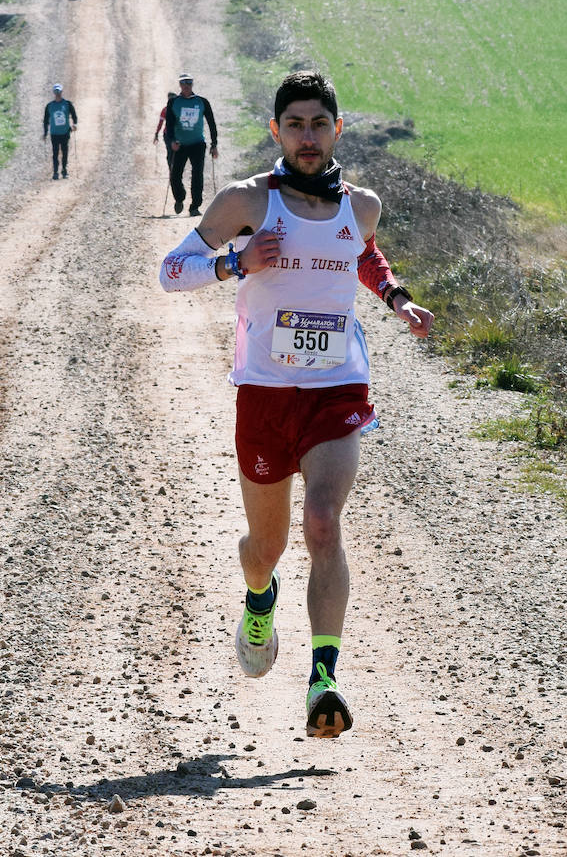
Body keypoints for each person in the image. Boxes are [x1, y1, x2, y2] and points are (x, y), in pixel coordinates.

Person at [159, 70, 434, 737]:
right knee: (267, 546)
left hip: (335, 386)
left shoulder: (361, 204)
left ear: (336, 129)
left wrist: (396, 299)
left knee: (321, 521)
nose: (307, 136)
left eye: (318, 124)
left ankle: (323, 678)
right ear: (276, 132)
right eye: (294, 125)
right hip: (262, 394)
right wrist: (234, 263)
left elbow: (361, 254)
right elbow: (170, 272)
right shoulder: (245, 201)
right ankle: (259, 597)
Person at [165, 75, 218, 216]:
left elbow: (211, 123)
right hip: (179, 145)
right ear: (180, 85)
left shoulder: (202, 102)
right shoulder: (174, 102)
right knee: (175, 175)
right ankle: (180, 197)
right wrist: (171, 141)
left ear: (192, 84)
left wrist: (214, 144)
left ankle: (195, 207)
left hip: (198, 144)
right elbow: (169, 124)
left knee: (197, 175)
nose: (186, 85)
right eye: (183, 82)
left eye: (189, 82)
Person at [43, 83, 78, 180]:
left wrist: (75, 124)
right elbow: (46, 120)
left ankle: (64, 170)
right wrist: (45, 133)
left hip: (65, 132)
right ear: (54, 93)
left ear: (62, 92)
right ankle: (55, 172)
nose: (57, 93)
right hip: (54, 134)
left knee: (65, 152)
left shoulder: (67, 104)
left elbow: (74, 115)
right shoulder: (49, 106)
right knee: (55, 153)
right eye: (56, 92)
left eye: (59, 91)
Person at [153, 92, 176, 169]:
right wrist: (156, 133)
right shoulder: (165, 110)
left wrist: (156, 133)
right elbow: (161, 123)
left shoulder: (166, 110)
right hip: (169, 135)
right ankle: (171, 170)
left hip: (174, 135)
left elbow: (160, 123)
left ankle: (173, 170)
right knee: (171, 152)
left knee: (173, 154)